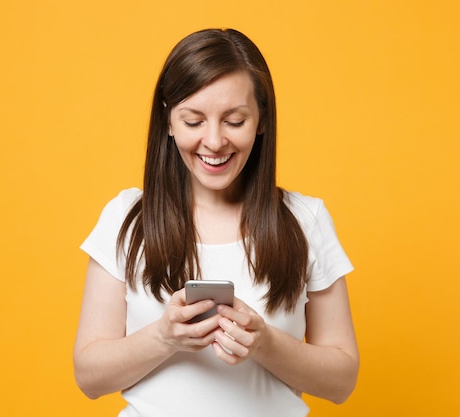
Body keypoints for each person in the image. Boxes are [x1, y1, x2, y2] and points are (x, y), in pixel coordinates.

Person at [74, 28, 359, 417]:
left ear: (261, 121)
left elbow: (342, 382)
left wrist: (264, 343)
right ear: (169, 123)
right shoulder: (127, 219)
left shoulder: (304, 220)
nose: (213, 141)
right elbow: (89, 376)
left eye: (234, 121)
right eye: (193, 122)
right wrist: (164, 336)